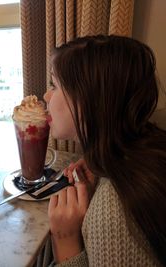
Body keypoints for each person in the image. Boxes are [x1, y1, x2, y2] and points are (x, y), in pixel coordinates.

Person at [43, 35, 166, 266]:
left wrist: (65, 239)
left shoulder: (112, 214)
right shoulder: (142, 156)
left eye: (54, 85)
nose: (46, 96)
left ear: (90, 100)